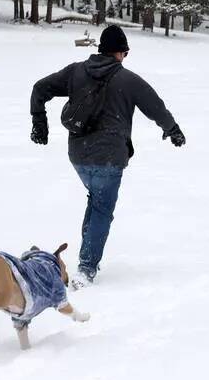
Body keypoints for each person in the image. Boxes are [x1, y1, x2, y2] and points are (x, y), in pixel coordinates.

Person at [29, 24, 185, 288]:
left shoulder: (76, 72)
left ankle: (86, 260)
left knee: (96, 201)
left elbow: (39, 88)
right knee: (101, 209)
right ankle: (86, 269)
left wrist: (39, 123)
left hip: (78, 155)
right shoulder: (129, 80)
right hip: (109, 157)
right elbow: (155, 107)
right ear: (120, 53)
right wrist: (173, 130)